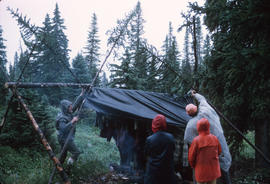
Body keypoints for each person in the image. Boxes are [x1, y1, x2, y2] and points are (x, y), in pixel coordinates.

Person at [183, 90, 232, 184]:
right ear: (197, 107)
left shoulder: (191, 125)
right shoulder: (206, 110)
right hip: (221, 155)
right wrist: (194, 94)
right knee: (225, 175)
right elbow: (202, 99)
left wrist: (192, 164)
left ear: (188, 114)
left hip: (205, 165)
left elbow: (188, 143)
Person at [144, 114, 177, 184]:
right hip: (167, 173)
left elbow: (146, 153)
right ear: (164, 124)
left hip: (153, 174)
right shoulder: (170, 137)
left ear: (154, 124)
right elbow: (173, 150)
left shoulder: (149, 139)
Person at [56, 89, 85, 165]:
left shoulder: (68, 112)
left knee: (63, 155)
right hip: (64, 139)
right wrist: (72, 121)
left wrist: (81, 95)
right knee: (76, 152)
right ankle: (69, 165)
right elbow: (63, 129)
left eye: (71, 106)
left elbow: (75, 105)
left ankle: (59, 168)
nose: (71, 108)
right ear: (66, 108)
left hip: (65, 138)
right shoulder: (62, 118)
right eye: (69, 107)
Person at [188, 118, 222, 184]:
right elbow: (219, 151)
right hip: (213, 170)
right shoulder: (214, 138)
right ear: (208, 126)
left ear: (198, 127)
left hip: (201, 170)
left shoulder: (196, 140)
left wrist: (193, 166)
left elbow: (191, 157)